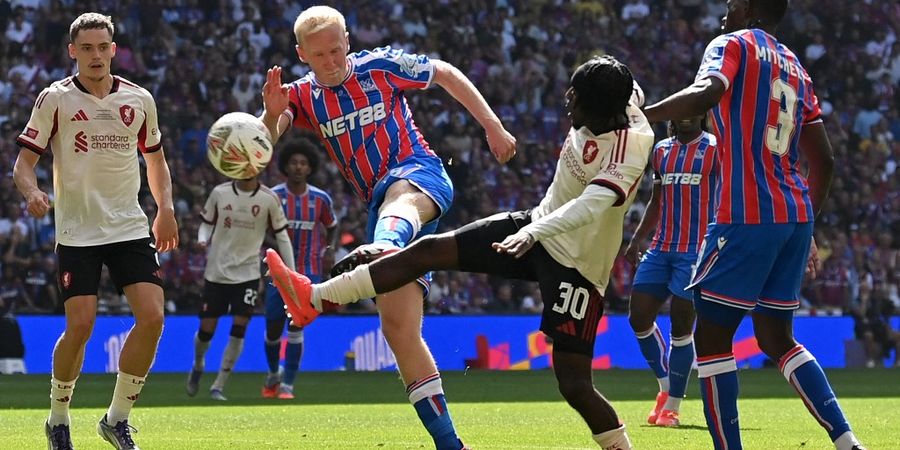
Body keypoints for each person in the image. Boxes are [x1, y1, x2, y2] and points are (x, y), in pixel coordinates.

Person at [268, 55, 654, 450]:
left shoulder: (632, 147)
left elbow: (590, 205)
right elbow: (643, 96)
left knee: (574, 385)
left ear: (605, 111)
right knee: (429, 250)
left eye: (577, 101)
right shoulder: (623, 97)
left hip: (578, 266)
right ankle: (314, 298)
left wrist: (534, 232)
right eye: (570, 94)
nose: (568, 103)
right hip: (534, 225)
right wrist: (534, 228)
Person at [260, 6, 515, 449]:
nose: (332, 61)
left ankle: (373, 254)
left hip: (421, 176)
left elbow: (445, 73)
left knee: (398, 194)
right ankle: (451, 444)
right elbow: (265, 144)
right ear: (303, 54)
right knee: (399, 331)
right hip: (381, 209)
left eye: (337, 50)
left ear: (348, 40)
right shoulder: (300, 96)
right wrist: (268, 116)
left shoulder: (380, 66)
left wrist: (491, 125)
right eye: (320, 55)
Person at [642, 0, 865, 448]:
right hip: (795, 217)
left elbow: (707, 92)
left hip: (744, 214)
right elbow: (824, 160)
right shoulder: (795, 66)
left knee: (711, 336)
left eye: (730, 2)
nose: (725, 9)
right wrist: (809, 224)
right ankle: (847, 442)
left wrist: (643, 117)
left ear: (746, 7)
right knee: (776, 336)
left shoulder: (732, 44)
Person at [12, 12, 179, 450]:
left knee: (153, 316)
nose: (95, 55)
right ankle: (58, 418)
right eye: (86, 48)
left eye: (102, 47)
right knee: (81, 326)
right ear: (73, 51)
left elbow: (156, 161)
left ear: (114, 49)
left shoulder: (139, 99)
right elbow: (23, 164)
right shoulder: (56, 99)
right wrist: (31, 192)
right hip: (78, 231)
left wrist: (166, 210)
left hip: (128, 225)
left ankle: (116, 419)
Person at [624, 115, 717, 428]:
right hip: (661, 247)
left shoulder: (716, 149)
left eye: (693, 107)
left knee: (681, 327)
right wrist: (638, 238)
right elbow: (657, 200)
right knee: (638, 317)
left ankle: (673, 408)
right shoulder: (662, 150)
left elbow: (730, 196)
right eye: (681, 108)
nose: (686, 113)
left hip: (696, 251)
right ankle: (665, 386)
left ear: (703, 113)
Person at [186, 174, 294, 401]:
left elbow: (282, 235)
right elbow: (206, 224)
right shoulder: (220, 192)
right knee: (207, 330)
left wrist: (290, 271)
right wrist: (202, 238)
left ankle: (219, 385)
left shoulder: (269, 198)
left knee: (239, 327)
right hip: (216, 272)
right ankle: (198, 363)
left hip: (247, 273)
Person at [261, 138, 338, 399]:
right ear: (286, 165)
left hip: (308, 271)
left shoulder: (320, 199)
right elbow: (262, 231)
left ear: (310, 167)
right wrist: (279, 250)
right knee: (273, 328)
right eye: (293, 162)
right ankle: (273, 373)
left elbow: (332, 225)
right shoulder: (274, 196)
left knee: (296, 325)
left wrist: (330, 248)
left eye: (303, 163)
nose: (298, 167)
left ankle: (288, 385)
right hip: (277, 274)